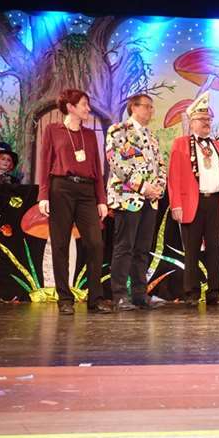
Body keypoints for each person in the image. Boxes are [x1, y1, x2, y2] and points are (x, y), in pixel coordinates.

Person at [38, 89, 110, 315]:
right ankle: (65, 298)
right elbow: (44, 163)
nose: (88, 108)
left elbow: (97, 168)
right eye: (84, 104)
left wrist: (101, 199)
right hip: (61, 189)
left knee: (95, 243)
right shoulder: (53, 130)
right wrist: (43, 195)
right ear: (70, 107)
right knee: (60, 244)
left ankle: (95, 299)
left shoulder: (89, 135)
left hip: (87, 190)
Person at [167, 91, 219, 307]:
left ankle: (215, 292)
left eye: (209, 119)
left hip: (214, 202)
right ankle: (191, 292)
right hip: (191, 203)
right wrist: (176, 204)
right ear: (192, 122)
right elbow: (174, 176)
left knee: (215, 248)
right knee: (192, 250)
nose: (207, 123)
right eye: (202, 119)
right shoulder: (180, 144)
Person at [106, 94, 167, 310]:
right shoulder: (118, 130)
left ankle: (140, 294)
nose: (150, 111)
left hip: (150, 200)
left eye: (152, 107)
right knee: (125, 247)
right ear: (134, 107)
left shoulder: (151, 136)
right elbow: (117, 164)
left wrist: (158, 187)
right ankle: (119, 295)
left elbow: (160, 165)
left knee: (143, 248)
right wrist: (143, 187)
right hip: (127, 198)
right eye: (147, 106)